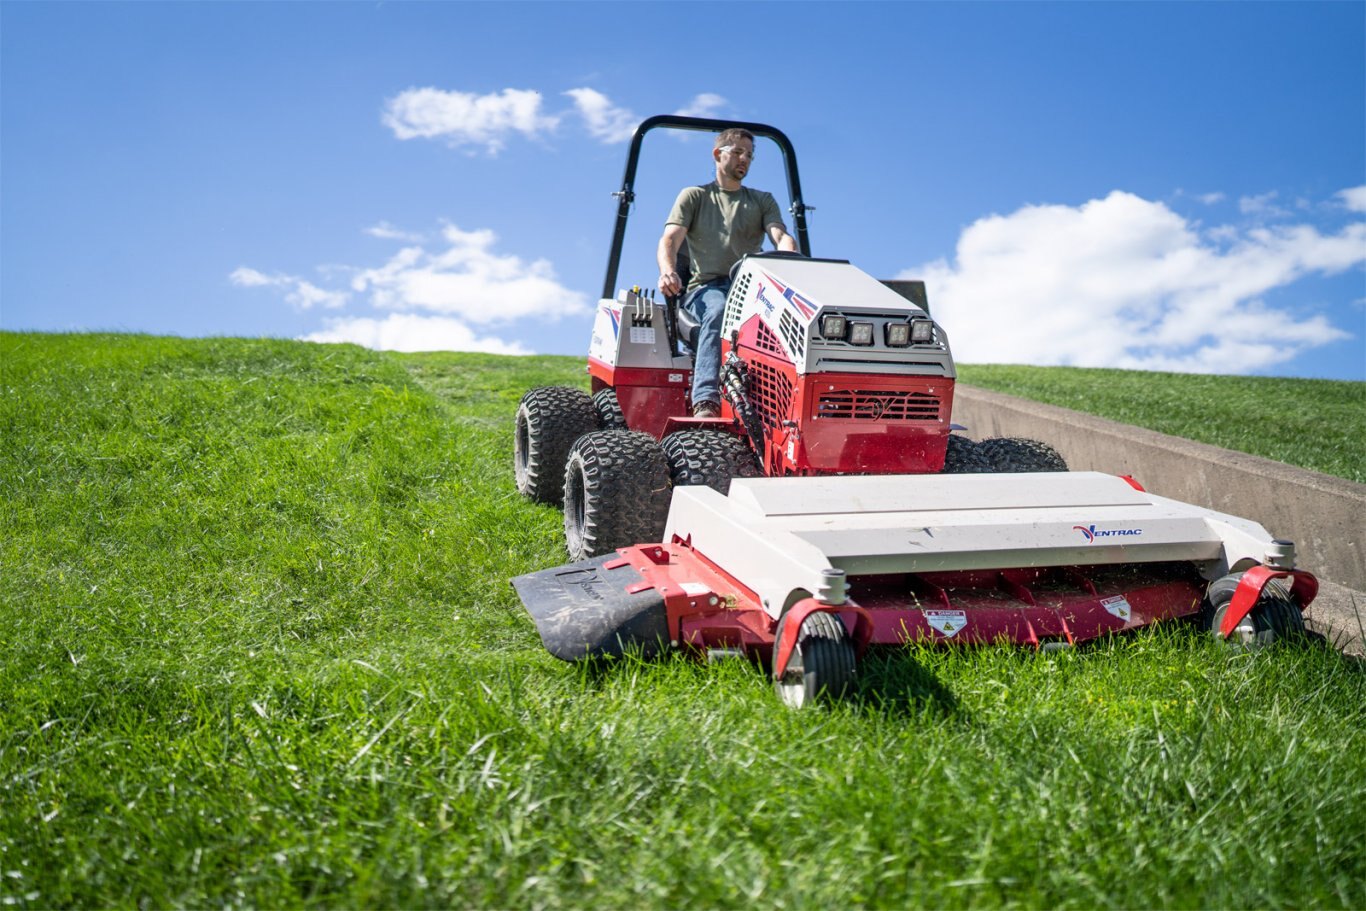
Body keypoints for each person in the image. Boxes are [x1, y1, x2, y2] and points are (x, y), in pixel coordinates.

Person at [657, 128, 798, 417]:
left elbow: (780, 235)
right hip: (705, 290)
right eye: (737, 152)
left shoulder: (762, 200)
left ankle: (781, 411)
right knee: (720, 311)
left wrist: (790, 255)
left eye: (749, 155)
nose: (744, 159)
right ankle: (705, 400)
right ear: (717, 154)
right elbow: (670, 240)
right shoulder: (695, 196)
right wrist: (668, 272)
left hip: (749, 291)